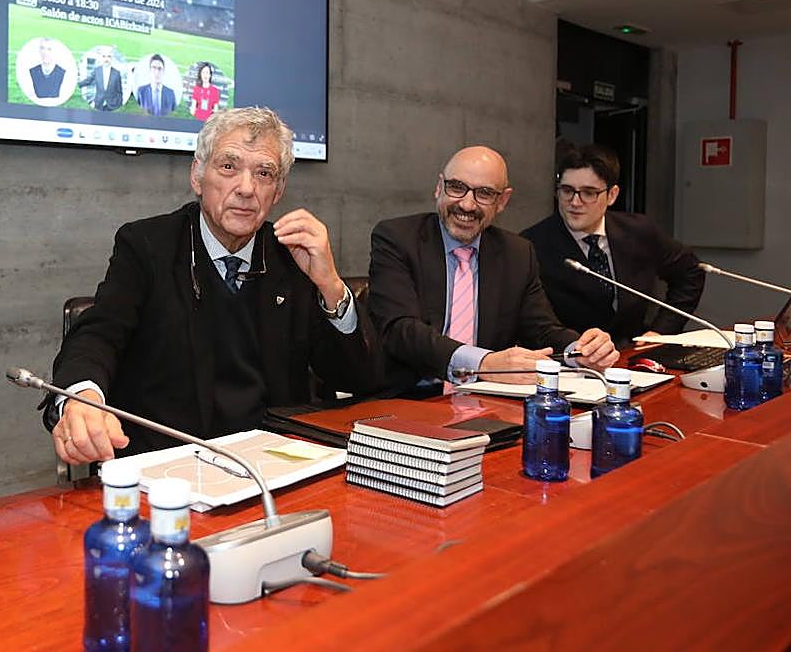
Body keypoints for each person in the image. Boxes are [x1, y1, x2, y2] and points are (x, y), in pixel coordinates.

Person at [46, 107, 383, 463]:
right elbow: (98, 334)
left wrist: (329, 284)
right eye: (228, 167)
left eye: (264, 173)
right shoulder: (147, 245)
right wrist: (82, 398)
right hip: (170, 465)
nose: (246, 188)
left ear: (279, 190)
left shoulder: (293, 256)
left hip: (273, 465)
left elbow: (361, 380)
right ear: (197, 175)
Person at [368, 146, 618, 388]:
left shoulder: (518, 253)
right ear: (439, 187)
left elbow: (542, 330)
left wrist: (579, 350)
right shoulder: (397, 238)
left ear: (502, 201)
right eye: (456, 187)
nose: (467, 204)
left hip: (487, 399)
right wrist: (484, 363)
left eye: (484, 193)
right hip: (411, 397)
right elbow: (400, 330)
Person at [521, 144, 705, 343]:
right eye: (567, 191)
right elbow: (533, 324)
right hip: (571, 362)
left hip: (633, 359)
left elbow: (691, 272)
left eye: (589, 193)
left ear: (612, 195)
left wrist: (660, 332)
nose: (575, 202)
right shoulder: (530, 245)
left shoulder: (638, 231)